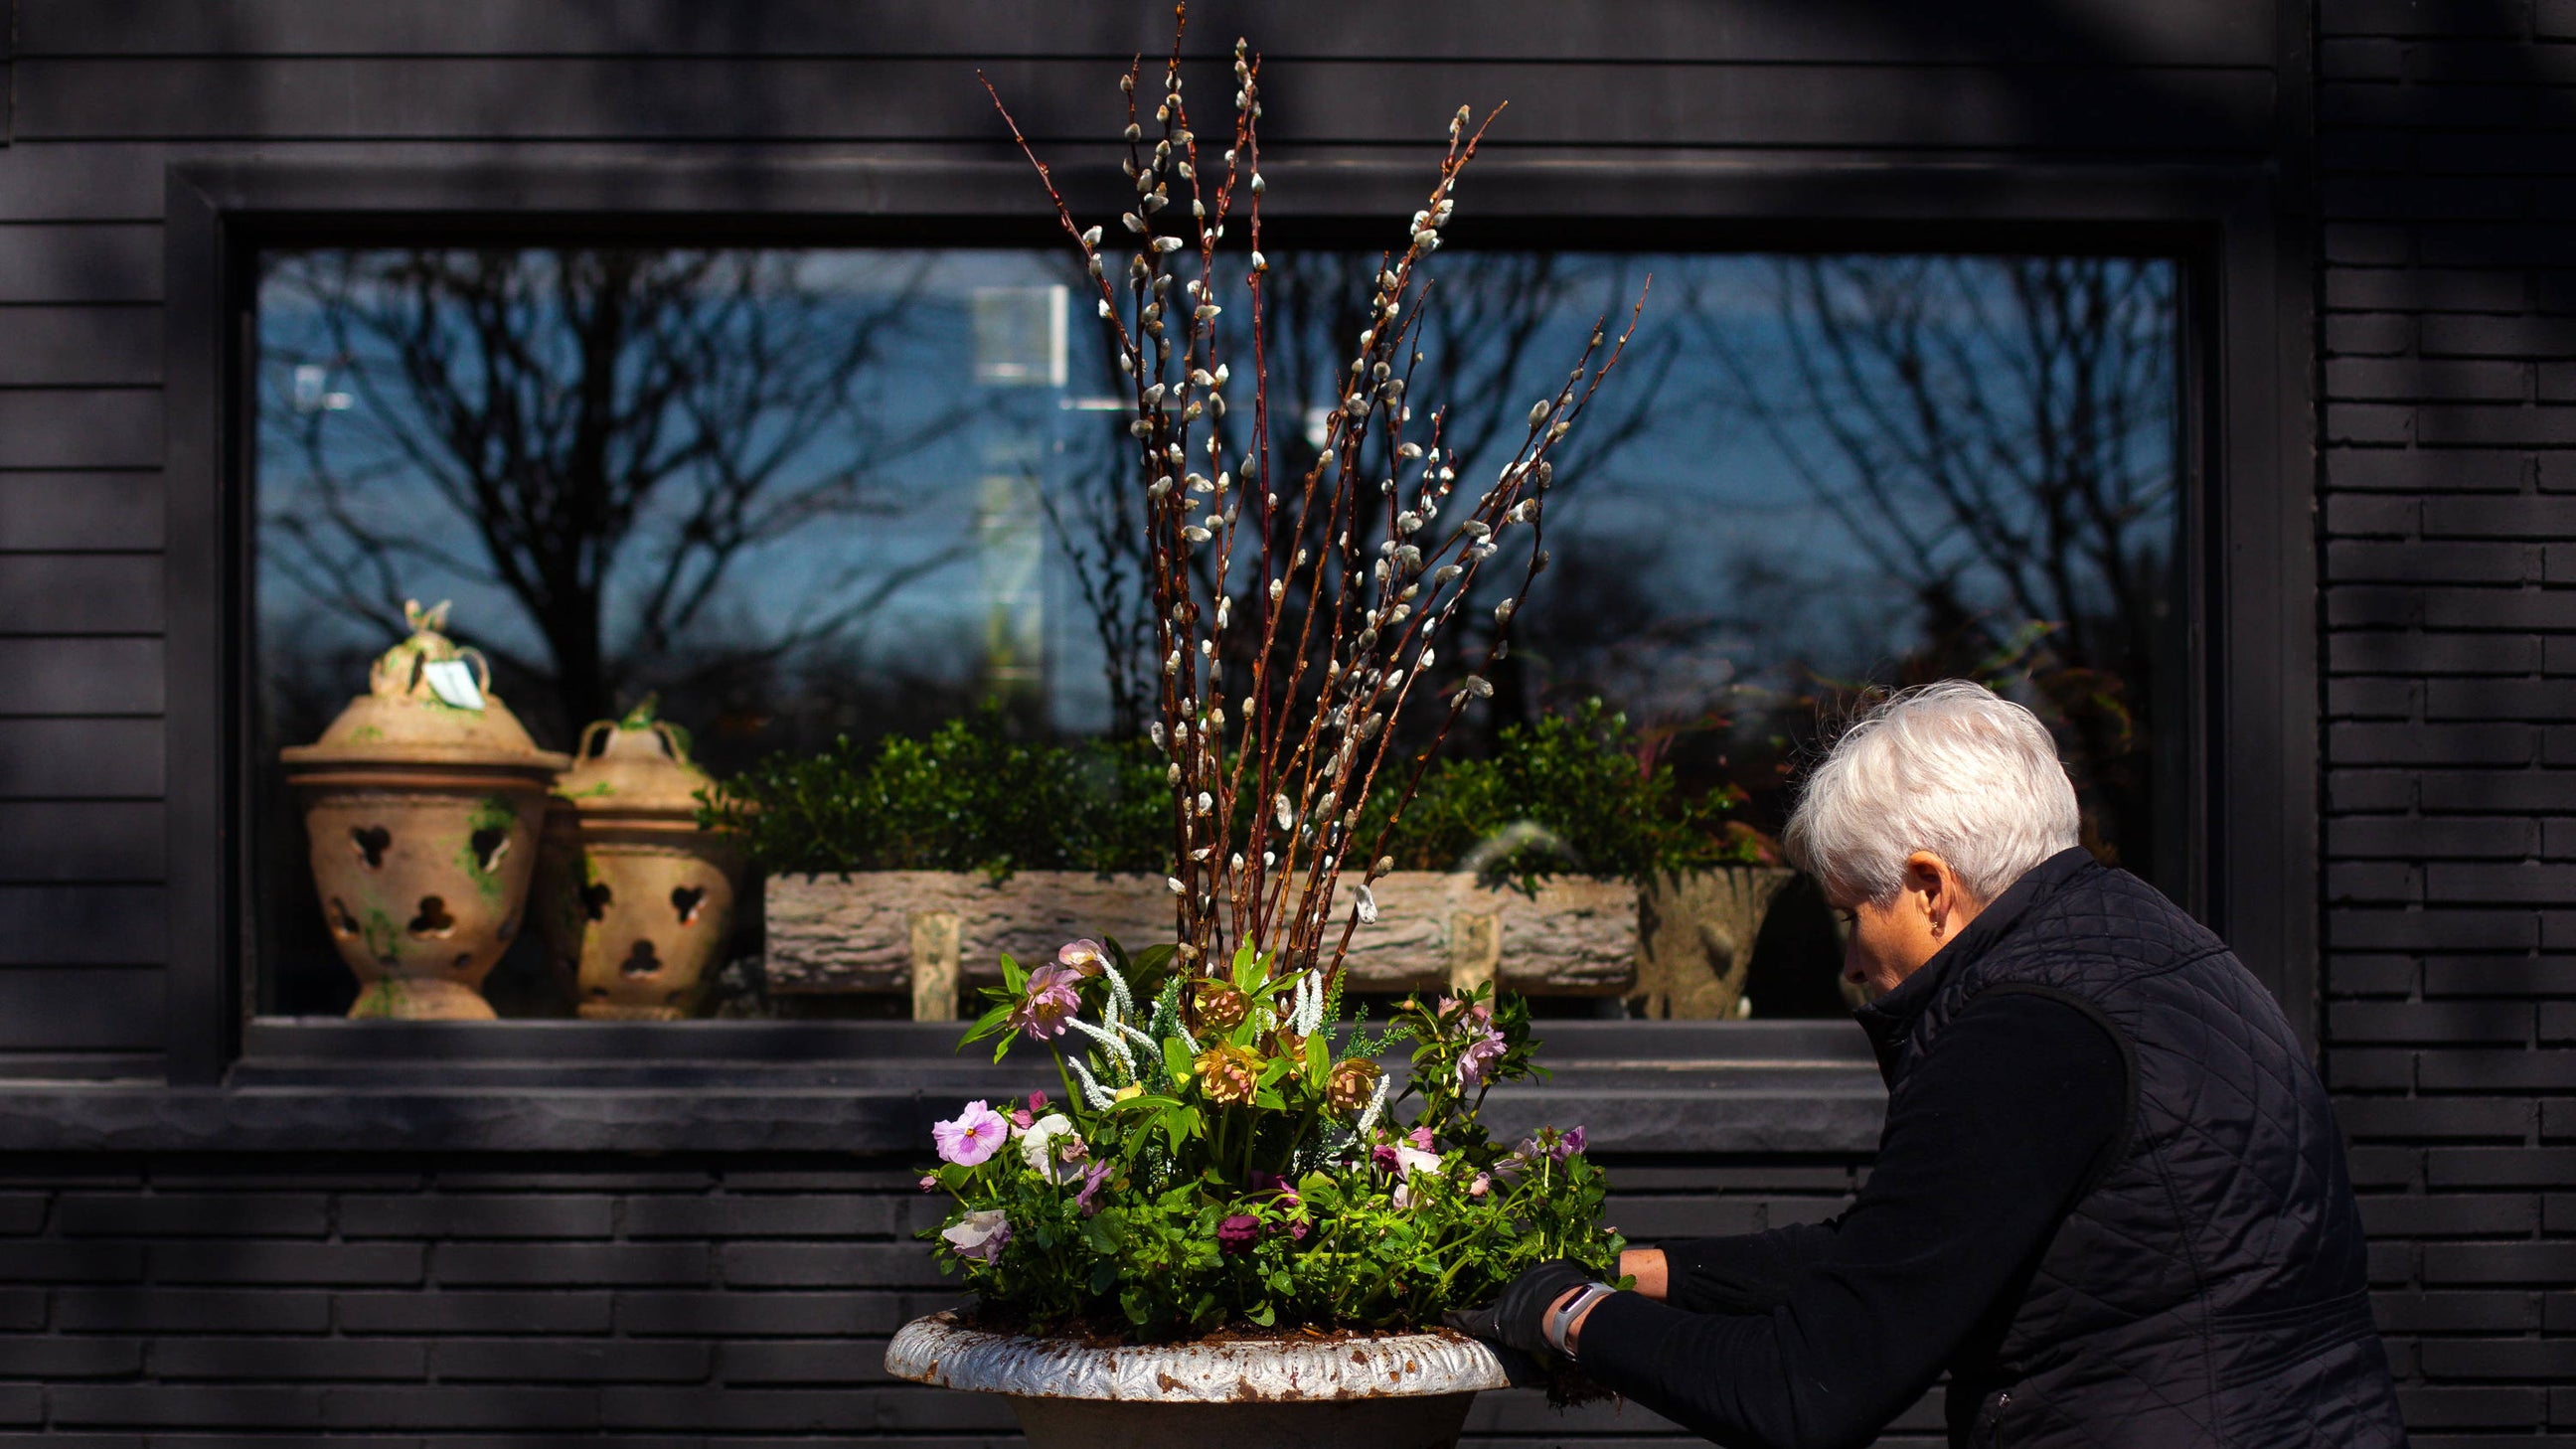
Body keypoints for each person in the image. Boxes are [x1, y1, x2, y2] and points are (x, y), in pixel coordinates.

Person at [1450, 681, 2407, 1448]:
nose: (1851, 963)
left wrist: (1559, 1309)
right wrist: (1644, 1270)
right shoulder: (2171, 960)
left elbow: (1804, 1393)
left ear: (1929, 889)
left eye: (1849, 915)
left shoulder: (2020, 1032)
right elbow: (1908, 1249)